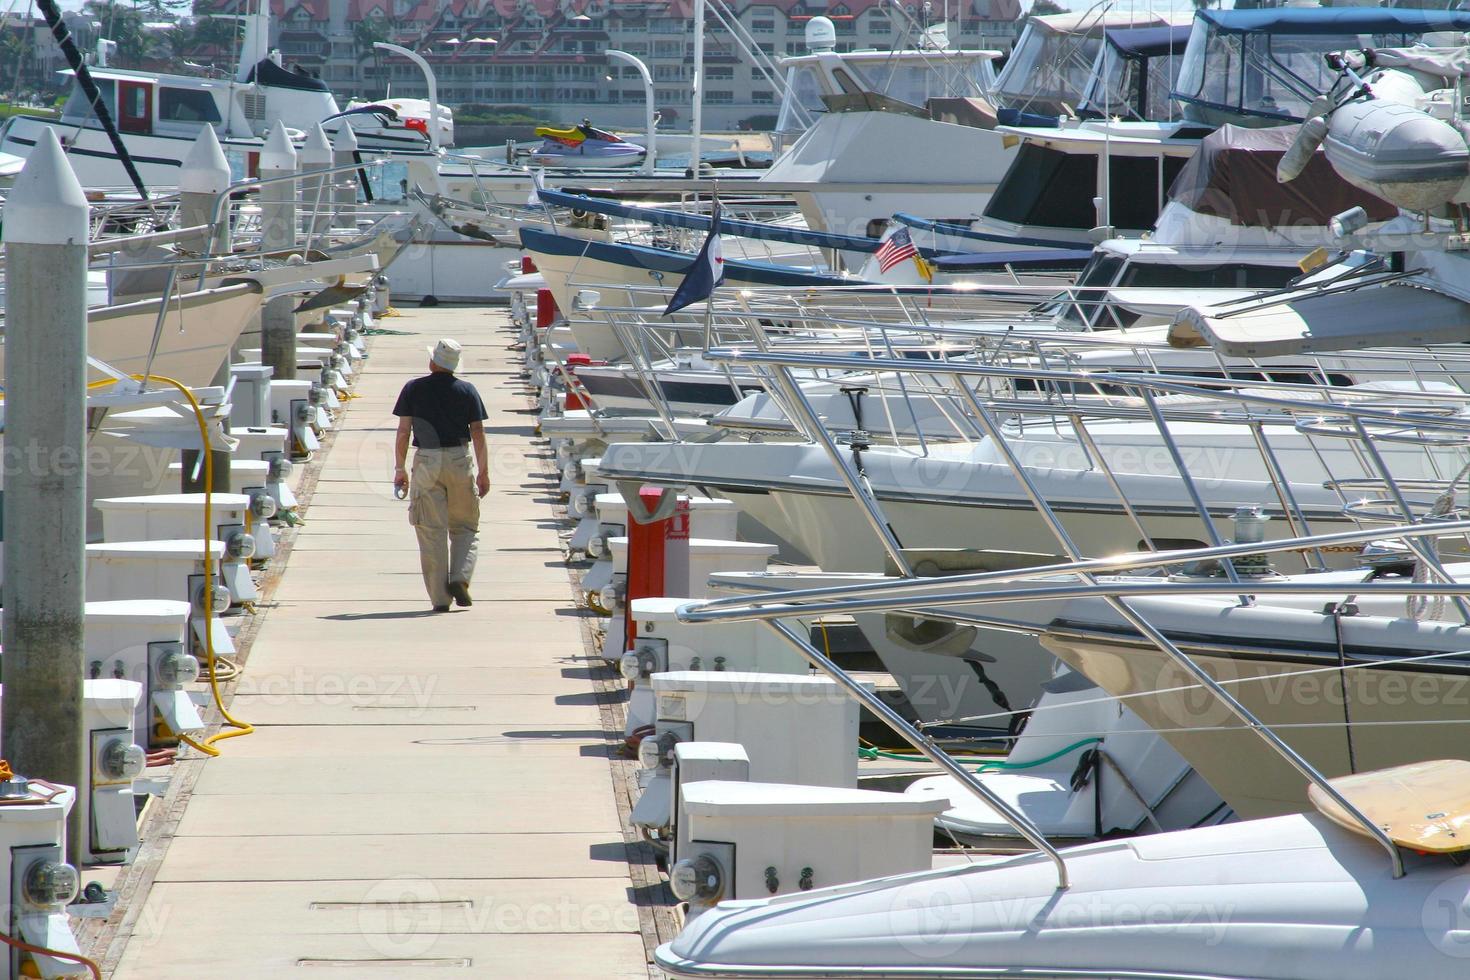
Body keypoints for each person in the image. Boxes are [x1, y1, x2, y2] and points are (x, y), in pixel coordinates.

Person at [393, 339, 490, 612]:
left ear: (432, 362)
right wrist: (484, 472)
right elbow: (478, 433)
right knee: (466, 526)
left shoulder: (413, 388)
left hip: (426, 460)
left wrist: (400, 468)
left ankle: (439, 598)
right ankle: (460, 577)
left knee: (430, 531)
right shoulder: (467, 390)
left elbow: (403, 431)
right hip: (459, 458)